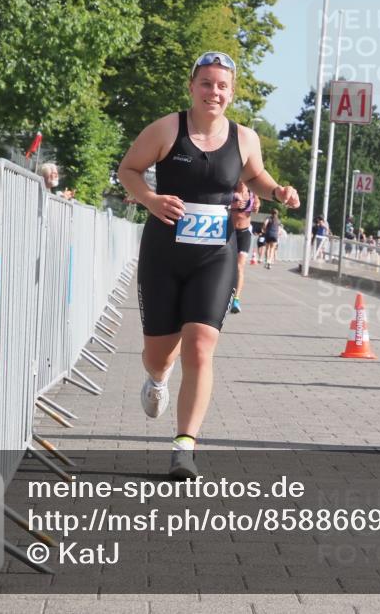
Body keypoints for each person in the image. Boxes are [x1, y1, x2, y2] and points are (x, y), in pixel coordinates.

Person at [117, 51, 300, 478]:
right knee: (159, 355)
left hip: (214, 254)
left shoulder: (245, 138)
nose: (213, 92)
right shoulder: (167, 129)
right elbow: (128, 169)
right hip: (164, 251)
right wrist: (150, 198)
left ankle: (184, 445)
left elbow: (257, 177)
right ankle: (158, 379)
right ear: (192, 86)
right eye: (206, 83)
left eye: (221, 86)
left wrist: (278, 192)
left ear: (231, 93)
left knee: (200, 343)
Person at [229, 180, 260, 314]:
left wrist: (256, 206)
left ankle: (236, 299)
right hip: (230, 233)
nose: (241, 181)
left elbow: (257, 207)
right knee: (226, 266)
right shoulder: (231, 191)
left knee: (240, 266)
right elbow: (220, 205)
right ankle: (226, 294)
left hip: (245, 233)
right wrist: (233, 205)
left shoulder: (252, 193)